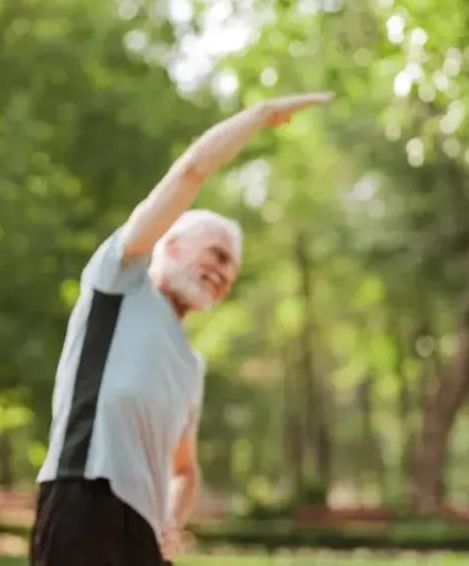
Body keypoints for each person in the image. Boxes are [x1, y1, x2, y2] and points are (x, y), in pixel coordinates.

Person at [29, 91, 333, 566]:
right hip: (82, 502)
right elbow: (191, 171)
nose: (224, 272)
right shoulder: (118, 280)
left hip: (145, 537)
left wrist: (172, 519)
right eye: (217, 253)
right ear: (170, 245)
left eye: (232, 270)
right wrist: (259, 116)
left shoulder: (191, 366)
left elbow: (186, 470)